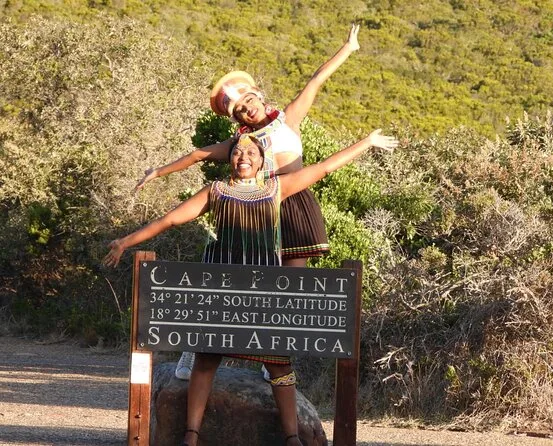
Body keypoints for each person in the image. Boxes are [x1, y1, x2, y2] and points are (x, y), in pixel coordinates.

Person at [105, 129, 398, 446]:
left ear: (261, 161)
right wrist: (125, 242)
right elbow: (170, 220)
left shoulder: (276, 188)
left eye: (250, 153)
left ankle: (292, 438)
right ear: (230, 159)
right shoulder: (215, 191)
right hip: (223, 288)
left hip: (263, 292)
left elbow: (324, 167)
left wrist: (367, 142)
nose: (243, 156)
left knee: (279, 364)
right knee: (206, 359)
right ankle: (191, 436)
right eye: (236, 152)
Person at [134, 24, 361, 380]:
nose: (246, 110)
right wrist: (158, 172)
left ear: (258, 96)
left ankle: (276, 362)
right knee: (237, 282)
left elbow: (316, 80)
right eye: (239, 110)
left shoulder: (289, 119)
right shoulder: (241, 143)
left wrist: (348, 47)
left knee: (290, 291)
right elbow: (197, 155)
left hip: (295, 205)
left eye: (248, 102)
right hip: (256, 207)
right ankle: (193, 352)